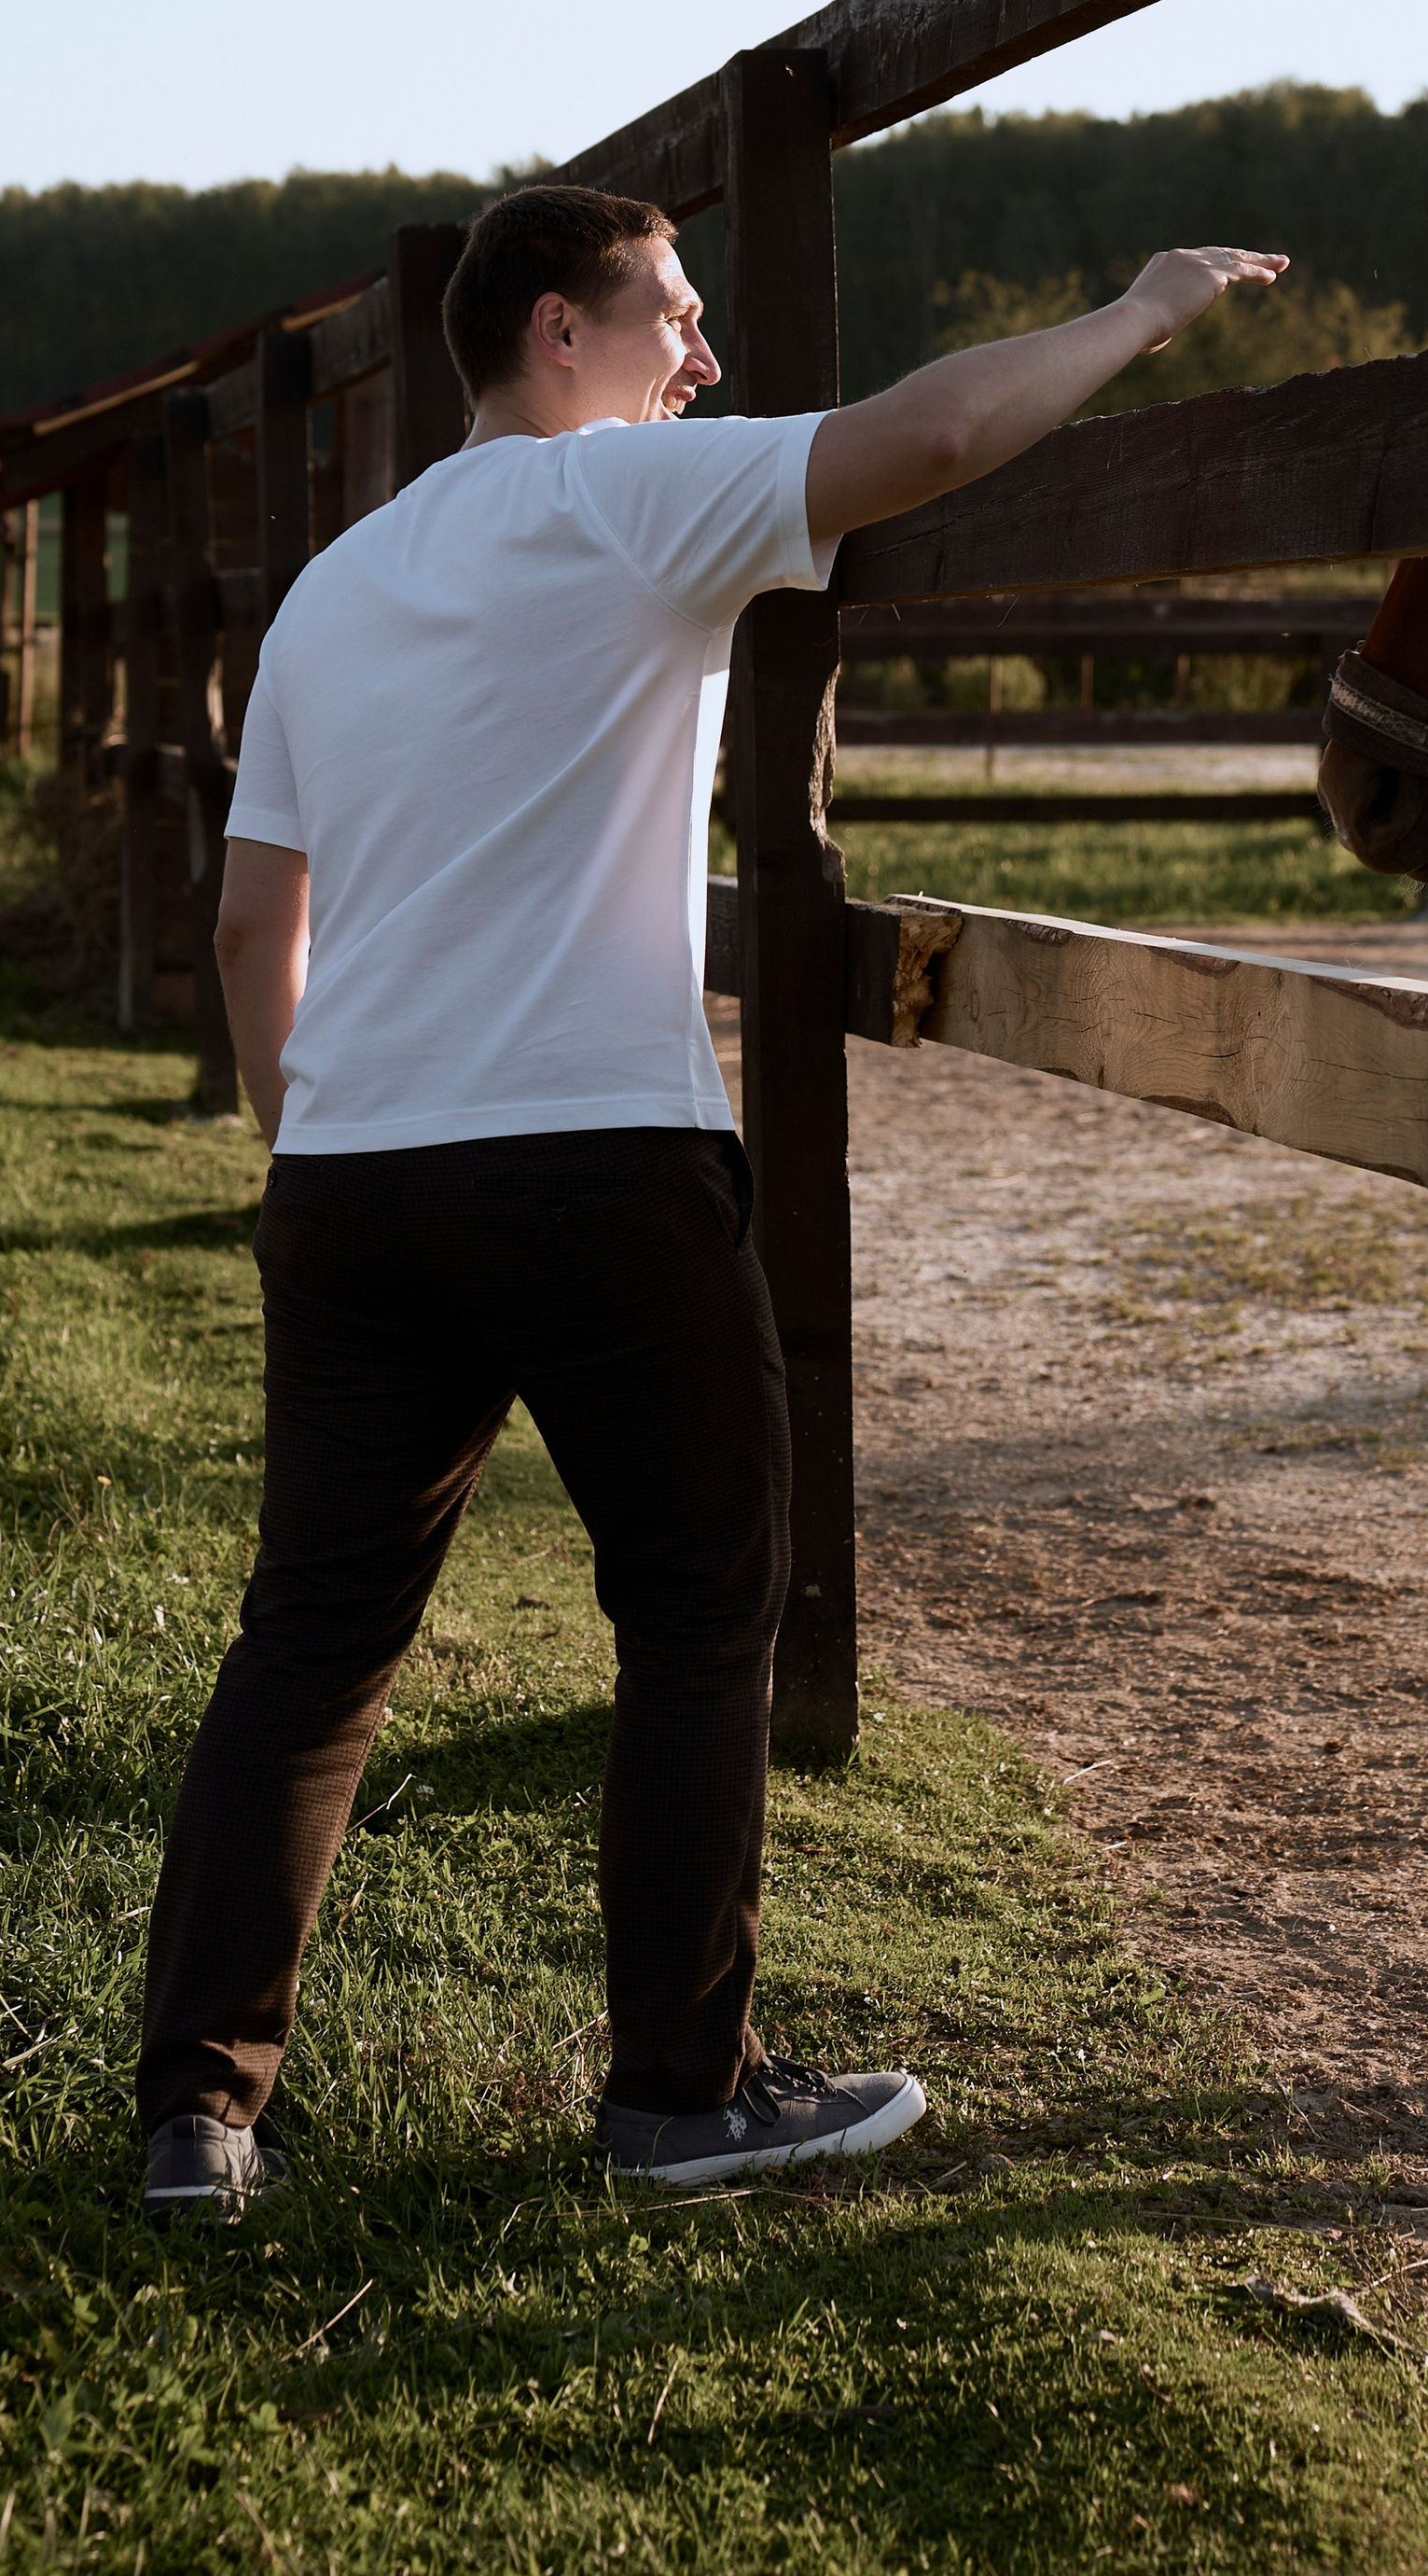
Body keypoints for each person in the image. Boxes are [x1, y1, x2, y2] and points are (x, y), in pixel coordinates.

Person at [135, 181, 1285, 2216]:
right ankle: (679, 2092)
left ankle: (198, 2119)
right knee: (694, 1609)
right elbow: (928, 437)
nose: (705, 356)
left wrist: (297, 1135)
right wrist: (1139, 307)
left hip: (348, 1177)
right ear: (556, 338)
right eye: (672, 312)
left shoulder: (328, 589)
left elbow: (251, 919)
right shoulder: (624, 508)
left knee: (309, 1642)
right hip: (589, 1161)